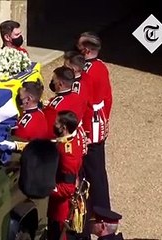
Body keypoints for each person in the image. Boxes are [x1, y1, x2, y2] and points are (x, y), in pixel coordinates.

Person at [76, 33, 113, 231]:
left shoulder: (87, 71)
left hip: (90, 125)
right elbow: (108, 98)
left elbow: (84, 101)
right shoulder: (101, 66)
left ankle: (97, 215)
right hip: (98, 122)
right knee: (97, 172)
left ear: (87, 50)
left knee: (93, 173)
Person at [47, 110, 84, 240]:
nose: (54, 124)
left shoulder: (68, 152)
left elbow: (67, 188)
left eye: (57, 122)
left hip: (60, 209)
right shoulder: (76, 135)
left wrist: (46, 188)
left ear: (64, 127)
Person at [43, 66, 85, 140]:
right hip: (77, 137)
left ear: (60, 84)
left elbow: (48, 131)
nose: (52, 82)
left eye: (54, 81)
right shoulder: (78, 96)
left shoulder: (55, 106)